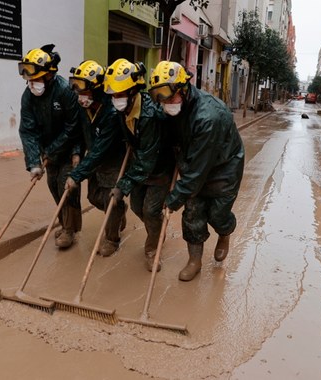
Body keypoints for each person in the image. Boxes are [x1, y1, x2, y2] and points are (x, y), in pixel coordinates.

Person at [148, 61, 245, 281]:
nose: (165, 103)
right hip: (193, 161)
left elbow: (197, 172)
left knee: (217, 214)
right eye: (160, 98)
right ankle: (195, 260)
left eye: (168, 97)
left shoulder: (208, 116)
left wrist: (173, 199)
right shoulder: (172, 105)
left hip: (224, 167)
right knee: (192, 212)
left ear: (183, 89)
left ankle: (225, 232)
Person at [103, 58, 175, 271]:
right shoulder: (122, 110)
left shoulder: (150, 114)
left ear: (133, 91)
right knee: (136, 207)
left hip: (159, 168)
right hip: (139, 167)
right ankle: (158, 231)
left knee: (151, 211)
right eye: (113, 95)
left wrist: (122, 186)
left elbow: (147, 159)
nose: (116, 99)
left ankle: (152, 249)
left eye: (120, 94)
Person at [18, 44, 83, 248]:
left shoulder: (65, 91)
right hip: (49, 151)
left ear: (49, 76)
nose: (31, 83)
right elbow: (28, 130)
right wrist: (34, 161)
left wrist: (56, 151)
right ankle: (64, 224)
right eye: (29, 79)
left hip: (70, 148)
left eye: (36, 78)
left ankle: (70, 231)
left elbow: (73, 127)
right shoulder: (28, 96)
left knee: (68, 188)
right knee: (54, 187)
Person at [64, 60, 128, 257]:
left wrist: (77, 175)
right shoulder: (84, 107)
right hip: (93, 160)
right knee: (93, 197)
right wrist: (77, 152)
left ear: (97, 89)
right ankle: (119, 212)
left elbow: (101, 149)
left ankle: (112, 239)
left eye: (84, 89)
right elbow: (78, 133)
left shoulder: (110, 112)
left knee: (111, 200)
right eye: (77, 88)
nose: (79, 95)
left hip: (112, 160)